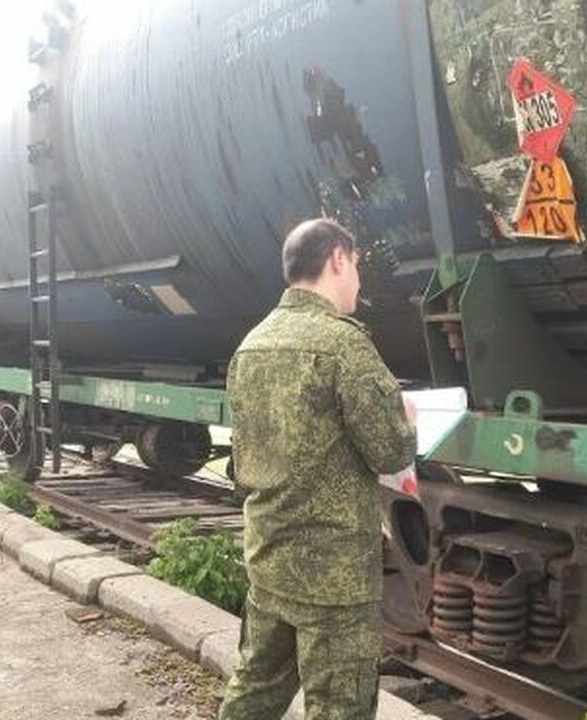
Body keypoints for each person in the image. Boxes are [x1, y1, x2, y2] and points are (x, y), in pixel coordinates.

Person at [218, 219, 418, 720]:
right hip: (334, 579)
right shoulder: (343, 344)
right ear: (337, 260)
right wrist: (404, 421)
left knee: (255, 688)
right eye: (357, 268)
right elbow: (392, 453)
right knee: (339, 709)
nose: (359, 283)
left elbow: (247, 456)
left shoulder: (252, 345)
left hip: (269, 557)